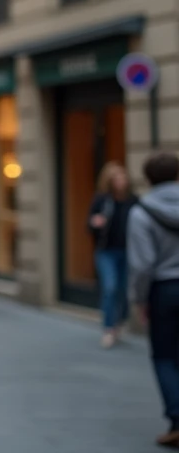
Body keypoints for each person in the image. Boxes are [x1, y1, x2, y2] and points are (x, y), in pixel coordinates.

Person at [129, 152, 179, 449]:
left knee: (164, 356)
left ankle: (176, 419)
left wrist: (138, 298)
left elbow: (142, 265)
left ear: (148, 179)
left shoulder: (142, 212)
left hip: (163, 290)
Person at [89, 161, 137, 348]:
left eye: (122, 177)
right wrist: (95, 223)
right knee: (110, 287)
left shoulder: (133, 200)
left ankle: (119, 322)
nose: (120, 181)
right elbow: (89, 224)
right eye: (116, 178)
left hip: (127, 251)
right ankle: (109, 328)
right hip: (106, 251)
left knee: (123, 290)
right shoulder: (102, 200)